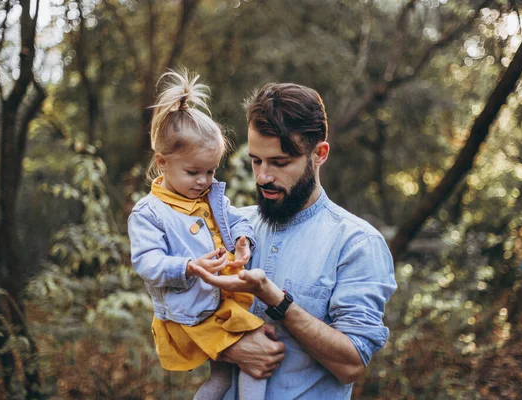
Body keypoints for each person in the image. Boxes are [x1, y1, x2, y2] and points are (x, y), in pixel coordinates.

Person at [192, 82, 398, 399]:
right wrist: (230, 348)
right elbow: (177, 313)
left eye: (280, 162)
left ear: (320, 154)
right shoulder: (231, 228)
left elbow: (351, 364)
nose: (263, 176)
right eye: (256, 160)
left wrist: (278, 301)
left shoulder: (358, 243)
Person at [127, 69, 267, 400]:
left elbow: (235, 221)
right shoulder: (149, 213)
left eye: (210, 171)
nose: (203, 180)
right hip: (193, 313)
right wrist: (190, 266)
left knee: (223, 380)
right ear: (162, 162)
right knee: (256, 360)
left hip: (222, 303)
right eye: (193, 172)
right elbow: (147, 264)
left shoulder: (210, 197)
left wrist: (243, 239)